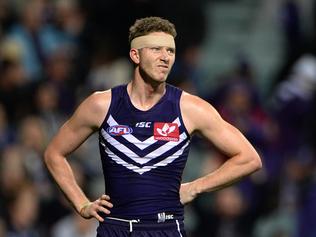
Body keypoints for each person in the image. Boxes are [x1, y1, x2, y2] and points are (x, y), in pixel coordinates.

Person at [44, 16, 262, 237]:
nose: (165, 57)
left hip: (165, 229)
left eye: (170, 51)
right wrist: (82, 204)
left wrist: (195, 187)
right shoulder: (101, 105)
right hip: (115, 228)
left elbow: (249, 158)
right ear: (135, 55)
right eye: (157, 49)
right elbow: (54, 153)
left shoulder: (190, 109)